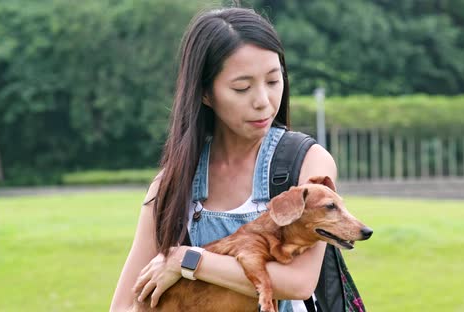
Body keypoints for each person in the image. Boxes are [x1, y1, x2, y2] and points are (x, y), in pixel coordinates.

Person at [109, 7, 337, 312]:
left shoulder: (305, 163)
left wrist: (185, 260)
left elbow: (299, 282)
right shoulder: (174, 184)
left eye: (273, 81)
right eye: (242, 87)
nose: (263, 101)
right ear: (206, 93)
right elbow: (125, 304)